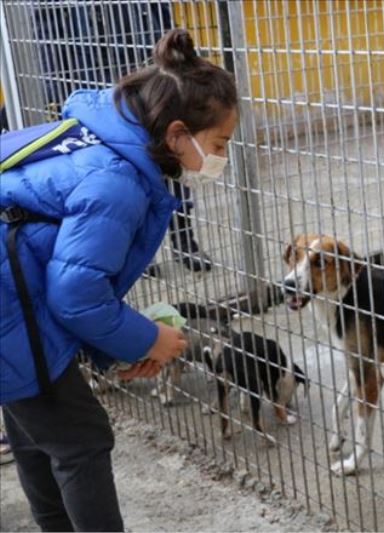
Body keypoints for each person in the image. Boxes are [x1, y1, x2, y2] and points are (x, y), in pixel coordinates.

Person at [0, 28, 238, 531]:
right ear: (177, 135)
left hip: (14, 302)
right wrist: (149, 338)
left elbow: (65, 277)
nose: (222, 156)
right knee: (81, 441)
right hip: (9, 308)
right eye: (219, 143)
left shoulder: (102, 141)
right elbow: (76, 294)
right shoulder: (117, 181)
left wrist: (123, 346)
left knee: (39, 433)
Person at [34, 1, 212, 272]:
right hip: (89, 71)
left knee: (169, 152)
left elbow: (160, 10)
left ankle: (184, 238)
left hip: (143, 64)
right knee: (122, 169)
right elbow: (45, 24)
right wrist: (55, 88)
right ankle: (137, 251)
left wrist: (175, 63)